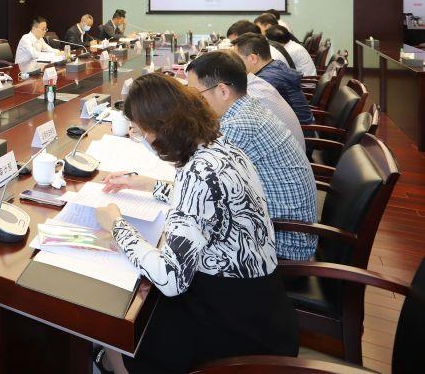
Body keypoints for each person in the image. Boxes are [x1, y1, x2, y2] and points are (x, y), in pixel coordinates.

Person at [93, 73, 297, 374]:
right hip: (262, 306)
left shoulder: (197, 174)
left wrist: (117, 225)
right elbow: (207, 204)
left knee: (117, 331)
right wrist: (146, 184)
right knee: (143, 306)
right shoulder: (220, 147)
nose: (143, 139)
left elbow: (171, 279)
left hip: (234, 329)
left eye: (140, 131)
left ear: (160, 129)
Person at [186, 52, 317, 260]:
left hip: (280, 246)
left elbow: (198, 191)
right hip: (280, 228)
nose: (193, 103)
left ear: (223, 91)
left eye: (196, 95)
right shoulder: (246, 107)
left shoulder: (238, 126)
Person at [233, 34, 314, 125]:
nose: (234, 63)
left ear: (253, 58)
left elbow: (245, 111)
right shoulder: (275, 64)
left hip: (301, 129)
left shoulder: (266, 81)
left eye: (236, 58)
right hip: (299, 125)